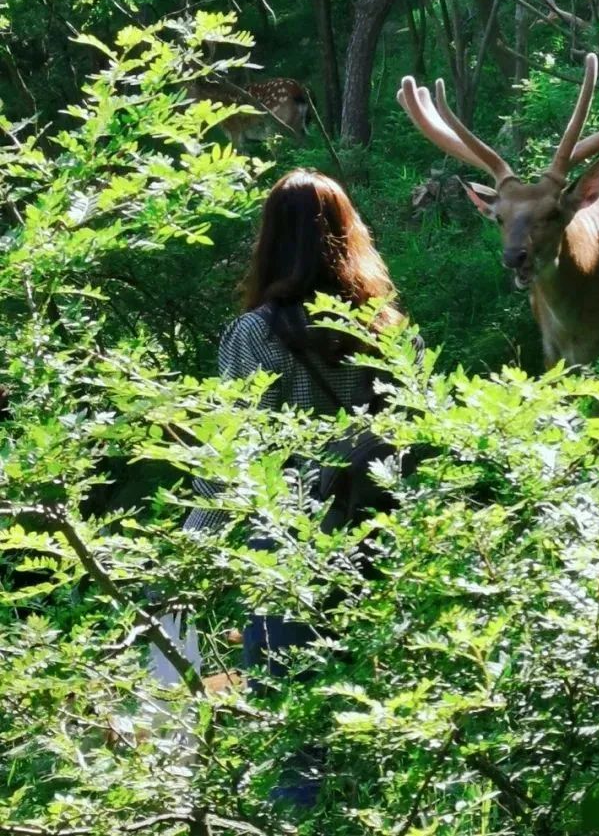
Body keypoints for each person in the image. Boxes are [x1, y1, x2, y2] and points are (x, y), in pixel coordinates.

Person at [181, 169, 411, 804]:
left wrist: (184, 555)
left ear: (271, 239)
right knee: (371, 720)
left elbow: (233, 456)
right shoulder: (386, 327)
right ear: (349, 234)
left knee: (295, 731)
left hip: (288, 553)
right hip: (375, 548)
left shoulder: (254, 333)